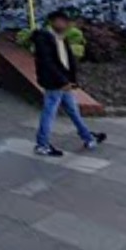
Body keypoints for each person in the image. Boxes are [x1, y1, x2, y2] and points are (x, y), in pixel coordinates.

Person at [33, 10, 106, 156]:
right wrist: (62, 81)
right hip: (54, 82)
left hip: (64, 81)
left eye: (67, 22)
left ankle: (88, 137)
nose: (66, 25)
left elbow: (66, 60)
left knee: (72, 110)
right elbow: (48, 63)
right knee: (49, 112)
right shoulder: (43, 38)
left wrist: (71, 80)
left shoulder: (61, 37)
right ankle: (42, 144)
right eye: (63, 21)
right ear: (53, 22)